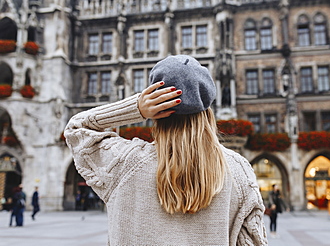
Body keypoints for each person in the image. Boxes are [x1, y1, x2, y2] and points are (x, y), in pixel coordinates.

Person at [64, 55, 268, 245]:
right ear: (207, 112)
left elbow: (76, 129)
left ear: (156, 110)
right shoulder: (239, 172)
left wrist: (136, 108)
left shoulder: (125, 163)